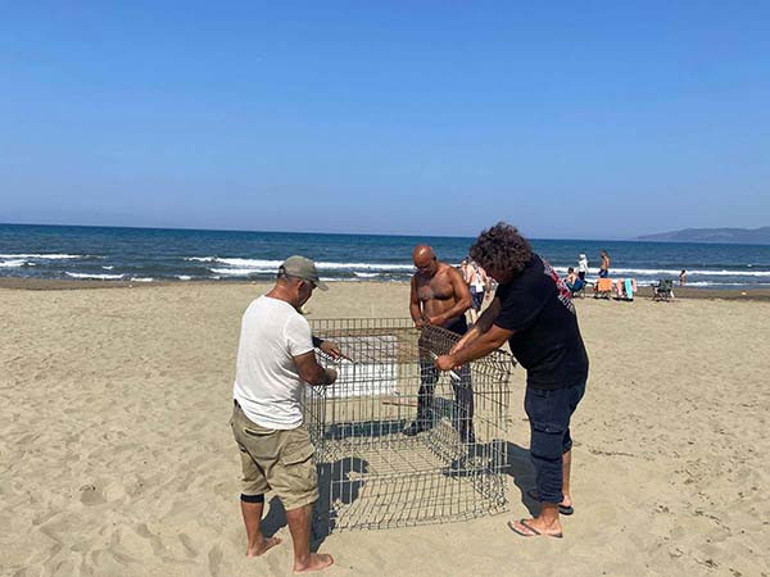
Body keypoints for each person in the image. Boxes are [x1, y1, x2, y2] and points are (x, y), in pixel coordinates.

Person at [435, 223, 589, 539]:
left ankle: (549, 519)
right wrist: (461, 343)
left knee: (546, 442)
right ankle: (562, 495)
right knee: (558, 433)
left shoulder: (529, 284)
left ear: (505, 261)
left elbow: (495, 340)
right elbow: (493, 312)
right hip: (569, 367)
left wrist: (453, 360)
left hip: (554, 375)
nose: (488, 275)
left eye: (491, 268)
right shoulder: (527, 265)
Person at [230, 255, 341, 573]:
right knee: (299, 493)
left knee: (252, 484)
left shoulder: (256, 305)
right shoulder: (294, 321)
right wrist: (329, 376)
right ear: (301, 285)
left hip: (244, 413)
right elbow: (310, 374)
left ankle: (255, 544)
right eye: (311, 290)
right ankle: (304, 560)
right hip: (279, 424)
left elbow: (279, 336)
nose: (310, 296)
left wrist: (318, 342)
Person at [404, 245, 475, 443]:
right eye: (419, 268)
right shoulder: (417, 279)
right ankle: (422, 419)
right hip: (429, 337)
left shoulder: (451, 274)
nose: (423, 271)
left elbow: (466, 301)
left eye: (426, 266)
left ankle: (466, 429)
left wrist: (442, 317)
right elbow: (413, 303)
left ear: (434, 258)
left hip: (454, 337)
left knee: (462, 385)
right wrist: (417, 318)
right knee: (427, 381)